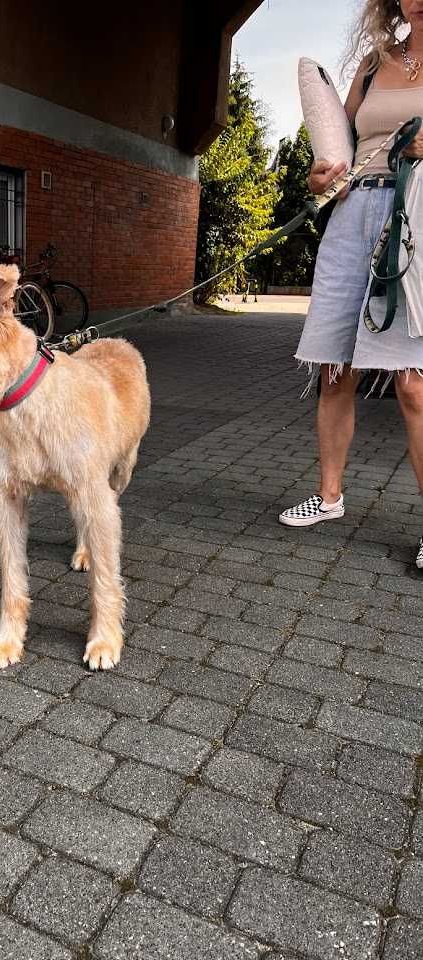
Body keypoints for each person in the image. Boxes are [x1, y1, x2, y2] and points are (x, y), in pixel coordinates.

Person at [279, 0, 423, 574]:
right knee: (335, 370)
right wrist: (320, 175)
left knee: (413, 385)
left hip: (415, 217)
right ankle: (330, 497)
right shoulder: (373, 62)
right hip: (353, 216)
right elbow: (335, 145)